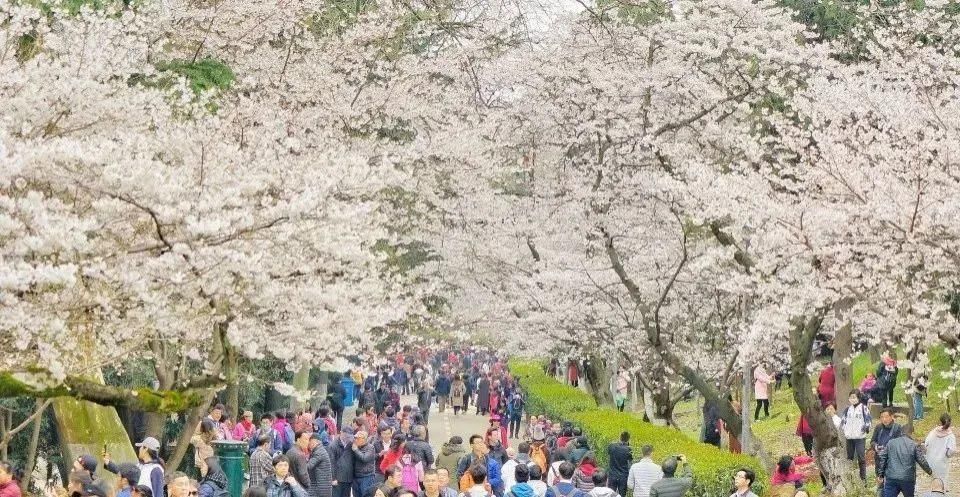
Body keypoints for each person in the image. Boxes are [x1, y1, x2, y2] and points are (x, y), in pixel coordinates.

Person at [877, 430, 931, 497]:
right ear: (910, 434)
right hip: (907, 479)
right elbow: (921, 461)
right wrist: (930, 471)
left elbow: (883, 458)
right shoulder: (913, 444)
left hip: (891, 477)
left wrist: (880, 475)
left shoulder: (890, 443)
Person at [840, 390, 871, 481]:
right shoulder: (847, 409)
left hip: (860, 437)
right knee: (849, 458)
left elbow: (868, 421)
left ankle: (863, 479)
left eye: (854, 397)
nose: (852, 399)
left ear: (858, 398)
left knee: (861, 458)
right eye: (851, 397)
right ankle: (850, 478)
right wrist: (845, 430)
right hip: (849, 437)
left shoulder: (863, 408)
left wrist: (864, 429)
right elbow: (842, 422)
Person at [923, 414, 956, 485]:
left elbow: (926, 445)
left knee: (932, 485)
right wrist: (947, 454)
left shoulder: (932, 432)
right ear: (950, 423)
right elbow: (951, 451)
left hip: (930, 463)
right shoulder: (950, 436)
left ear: (940, 422)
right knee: (941, 485)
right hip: (942, 464)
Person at [329, 429, 354, 497]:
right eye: (347, 436)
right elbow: (331, 463)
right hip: (337, 479)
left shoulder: (351, 444)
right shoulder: (333, 445)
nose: (348, 439)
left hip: (348, 479)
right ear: (341, 433)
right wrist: (333, 478)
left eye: (350, 437)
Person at [352, 430, 378, 497]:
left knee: (366, 495)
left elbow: (365, 458)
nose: (356, 440)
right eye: (355, 438)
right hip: (356, 477)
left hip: (366, 477)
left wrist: (356, 450)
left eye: (358, 438)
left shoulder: (370, 447)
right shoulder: (355, 447)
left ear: (364, 439)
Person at [606, 433, 632, 497]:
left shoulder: (612, 446)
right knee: (622, 494)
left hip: (613, 474)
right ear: (628, 439)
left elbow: (609, 452)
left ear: (620, 437)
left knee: (611, 493)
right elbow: (630, 461)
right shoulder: (628, 450)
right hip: (623, 475)